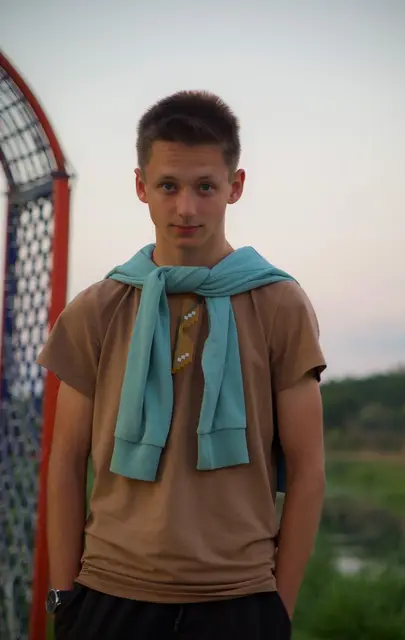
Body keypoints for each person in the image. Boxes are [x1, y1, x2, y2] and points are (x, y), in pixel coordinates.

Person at [38, 90, 327, 640]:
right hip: (110, 592)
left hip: (238, 597)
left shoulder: (278, 304)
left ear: (234, 187)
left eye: (205, 187)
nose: (186, 208)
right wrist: (65, 598)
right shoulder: (98, 308)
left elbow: (308, 468)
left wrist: (278, 611)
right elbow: (67, 460)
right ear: (141, 186)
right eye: (168, 186)